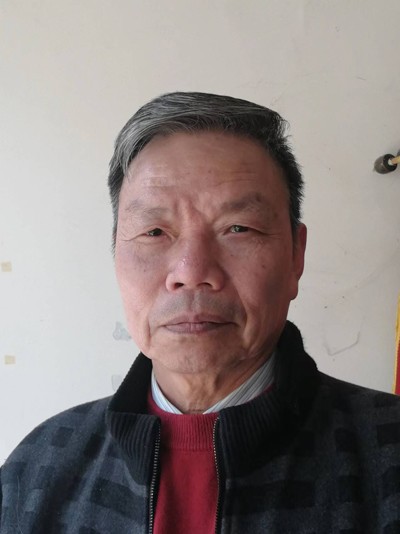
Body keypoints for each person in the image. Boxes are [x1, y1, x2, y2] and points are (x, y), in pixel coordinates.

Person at [1, 92, 400, 534]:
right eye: (154, 231)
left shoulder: (387, 453)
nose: (192, 273)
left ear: (296, 256)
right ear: (115, 254)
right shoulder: (37, 468)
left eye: (239, 228)